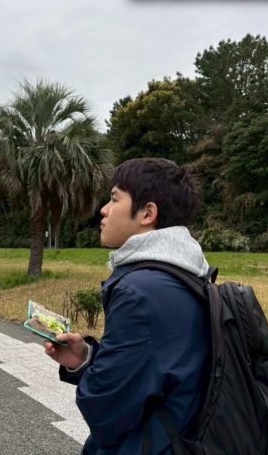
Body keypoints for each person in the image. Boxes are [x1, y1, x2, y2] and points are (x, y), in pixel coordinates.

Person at [44, 157, 211, 454]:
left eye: (114, 198)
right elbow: (154, 369)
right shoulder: (187, 274)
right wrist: (84, 358)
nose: (104, 210)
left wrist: (93, 377)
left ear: (147, 213)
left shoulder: (139, 292)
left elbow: (105, 408)